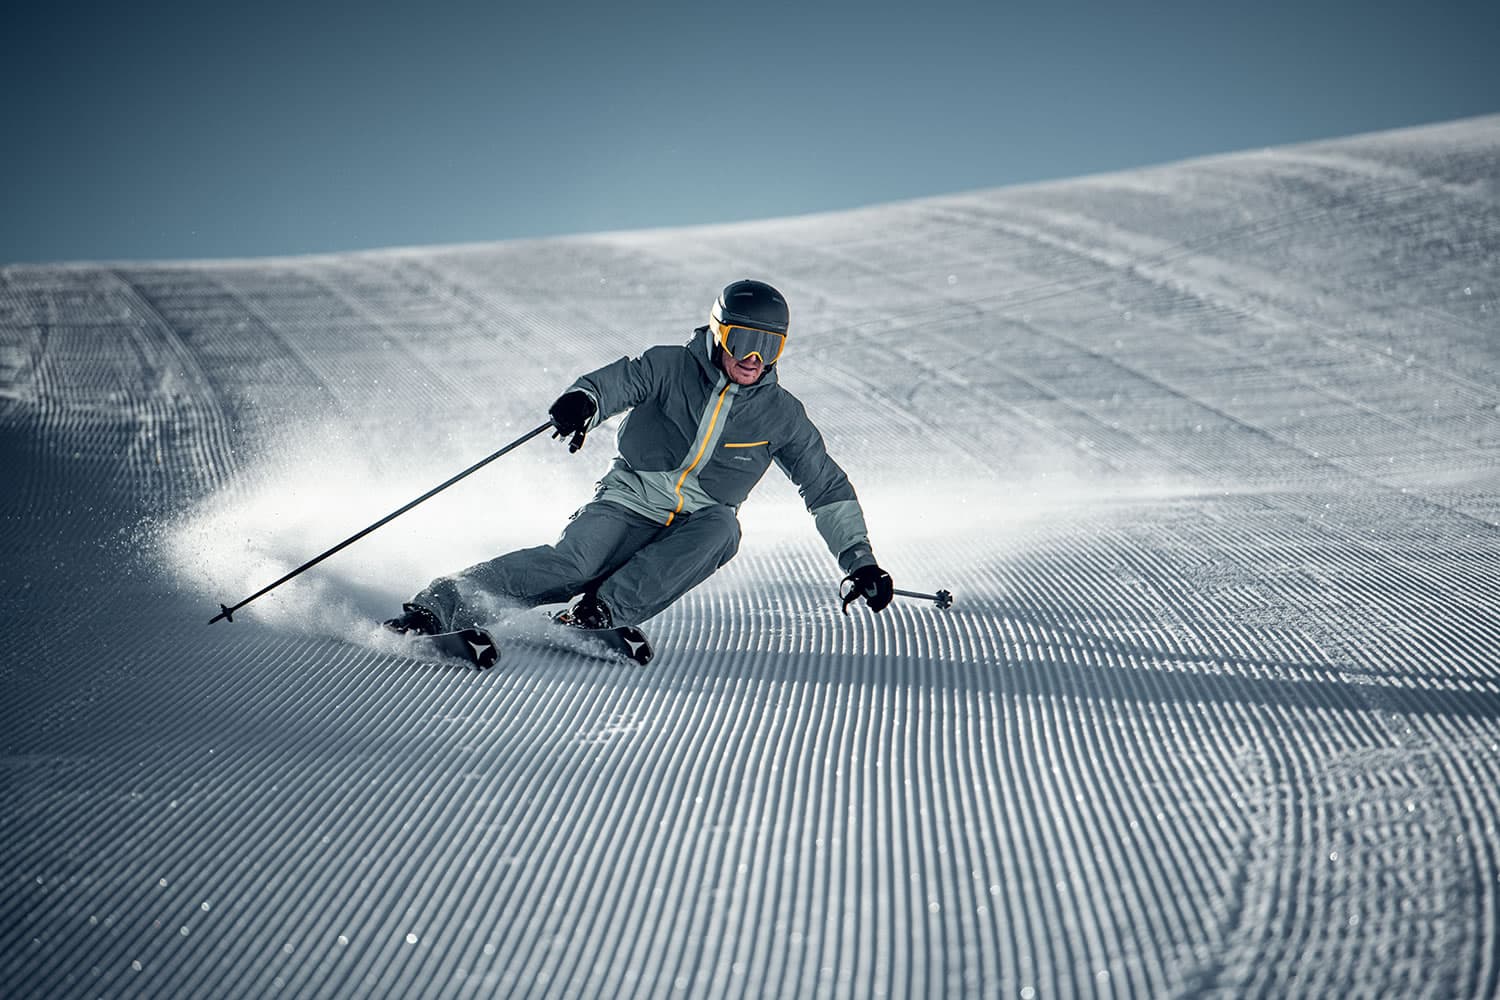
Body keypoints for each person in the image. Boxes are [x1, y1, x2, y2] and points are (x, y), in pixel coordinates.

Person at [383, 278, 894, 639]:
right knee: (572, 564)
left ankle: (598, 614)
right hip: (630, 499)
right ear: (719, 334)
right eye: (743, 341)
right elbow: (619, 381)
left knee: (724, 530)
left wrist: (861, 561)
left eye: (769, 347)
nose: (753, 359)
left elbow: (826, 488)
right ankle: (439, 608)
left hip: (695, 521)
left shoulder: (781, 415)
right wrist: (585, 400)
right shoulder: (669, 365)